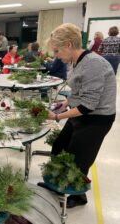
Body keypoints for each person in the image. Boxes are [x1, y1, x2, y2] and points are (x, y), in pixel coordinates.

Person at [44, 23, 116, 208]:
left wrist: (57, 117)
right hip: (82, 114)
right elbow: (79, 93)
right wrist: (65, 103)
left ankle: (77, 196)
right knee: (59, 147)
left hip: (96, 119)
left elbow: (88, 106)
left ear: (68, 44)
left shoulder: (93, 64)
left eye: (57, 50)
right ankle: (57, 185)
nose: (56, 55)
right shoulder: (77, 61)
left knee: (78, 160)